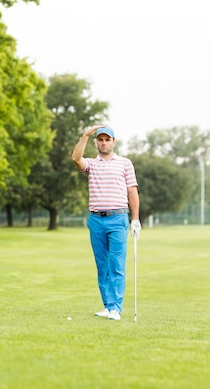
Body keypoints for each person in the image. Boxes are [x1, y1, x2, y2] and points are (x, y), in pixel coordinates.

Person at [71, 125, 141, 320]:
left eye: (107, 140)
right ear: (96, 143)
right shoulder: (91, 164)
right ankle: (108, 305)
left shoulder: (125, 164)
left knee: (117, 265)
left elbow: (132, 191)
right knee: (102, 266)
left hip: (118, 218)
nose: (103, 143)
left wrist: (135, 219)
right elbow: (76, 159)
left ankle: (116, 309)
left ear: (113, 142)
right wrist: (85, 134)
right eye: (100, 140)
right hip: (96, 220)